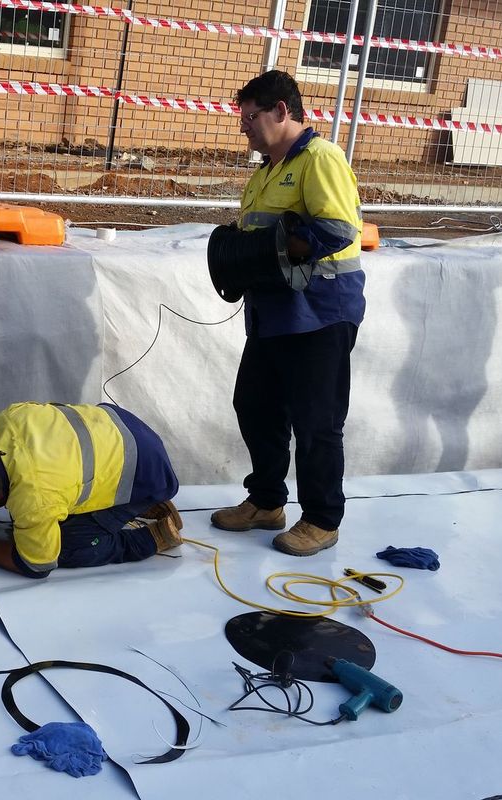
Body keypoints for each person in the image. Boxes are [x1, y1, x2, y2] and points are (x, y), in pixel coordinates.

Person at [206, 70, 366, 557]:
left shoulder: (321, 158)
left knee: (316, 420)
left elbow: (339, 228)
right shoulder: (265, 171)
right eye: (241, 119)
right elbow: (258, 235)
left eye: (250, 117)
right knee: (255, 405)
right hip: (273, 311)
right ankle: (267, 502)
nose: (244, 128)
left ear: (281, 110)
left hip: (319, 310)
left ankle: (321, 519)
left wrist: (284, 245)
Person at [0, 401, 182, 578]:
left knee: (66, 547)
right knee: (56, 510)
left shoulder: (35, 499)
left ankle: (151, 534)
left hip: (147, 471)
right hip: (121, 424)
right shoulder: (3, 422)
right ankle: (140, 501)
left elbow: (36, 566)